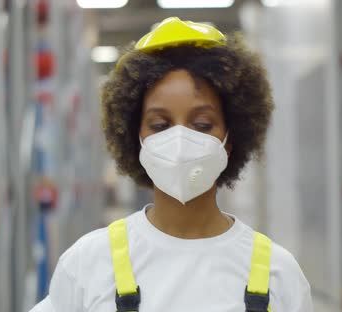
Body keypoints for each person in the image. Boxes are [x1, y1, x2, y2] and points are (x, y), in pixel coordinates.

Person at [30, 17, 313, 312]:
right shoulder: (88, 263)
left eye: (202, 125)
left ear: (230, 139)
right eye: (160, 125)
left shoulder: (279, 275)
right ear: (135, 137)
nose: (179, 140)